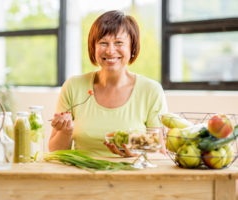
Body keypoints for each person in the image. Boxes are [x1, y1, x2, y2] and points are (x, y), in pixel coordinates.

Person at [49, 10, 167, 157]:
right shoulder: (74, 86)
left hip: (131, 176)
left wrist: (134, 153)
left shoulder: (150, 90)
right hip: (82, 175)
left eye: (119, 42)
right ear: (94, 48)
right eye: (103, 43)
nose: (110, 51)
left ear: (132, 47)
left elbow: (159, 150)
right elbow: (55, 151)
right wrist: (66, 132)